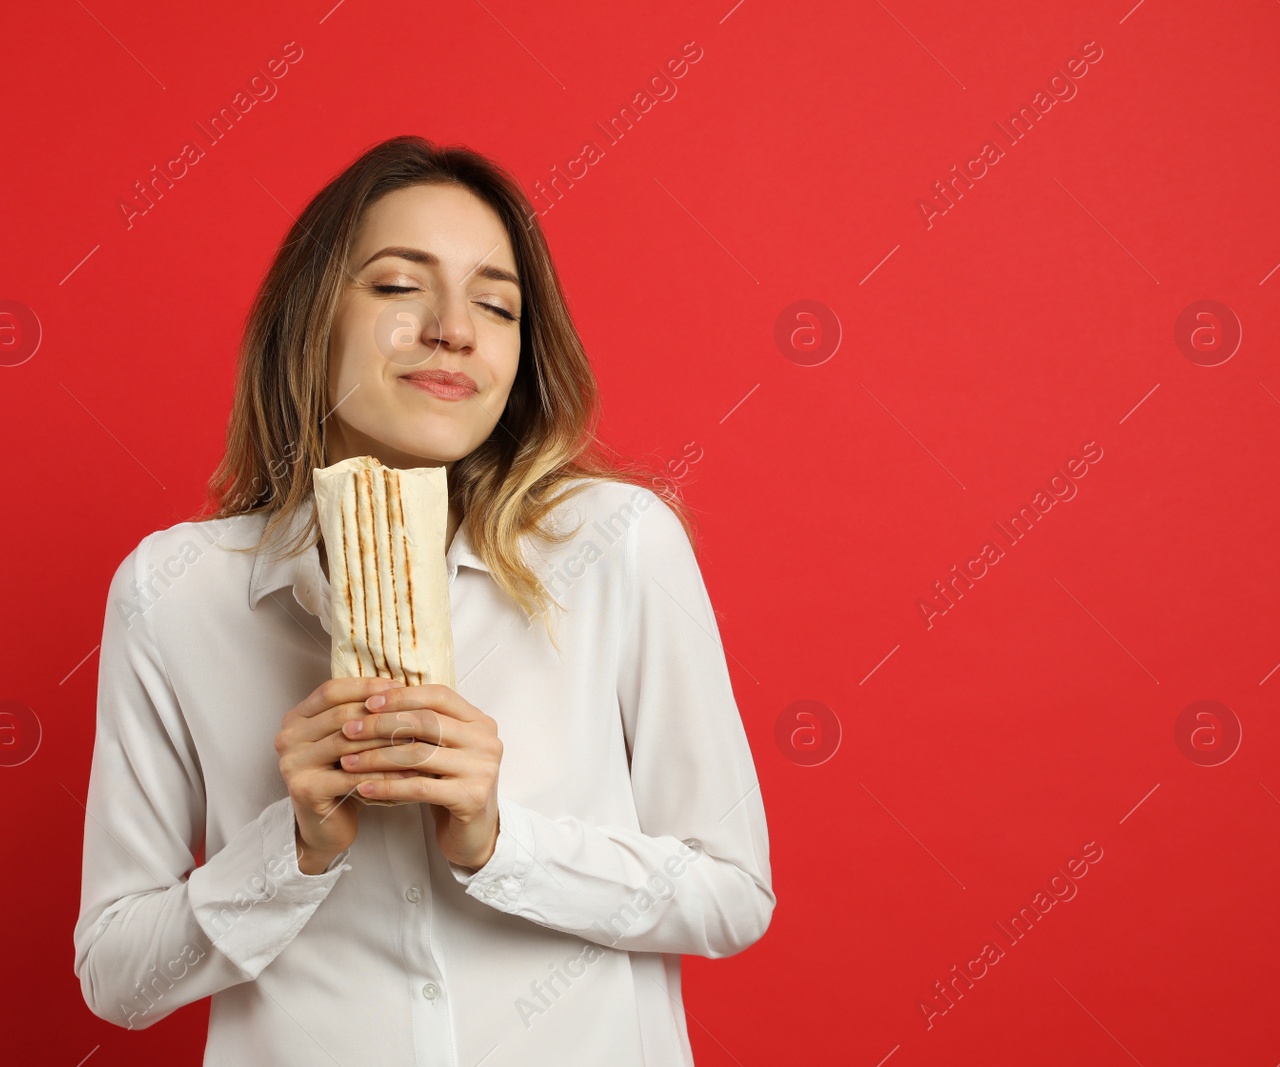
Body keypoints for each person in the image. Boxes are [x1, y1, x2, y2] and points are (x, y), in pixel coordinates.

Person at [72, 134, 774, 1066]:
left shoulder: (614, 543)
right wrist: (295, 847)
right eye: (400, 286)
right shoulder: (175, 590)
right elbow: (117, 975)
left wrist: (499, 840)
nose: (455, 328)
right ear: (310, 317)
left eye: (497, 303)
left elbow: (732, 894)